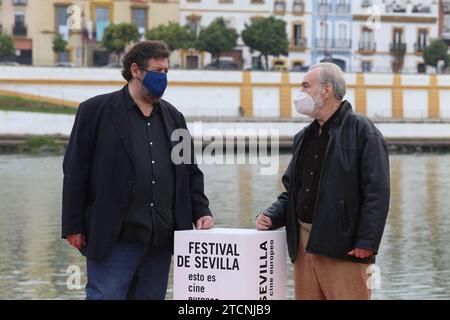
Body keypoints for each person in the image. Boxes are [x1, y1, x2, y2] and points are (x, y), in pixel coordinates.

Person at [62, 40, 214, 300]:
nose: (163, 77)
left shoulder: (174, 117)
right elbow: (76, 169)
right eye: (157, 70)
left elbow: (190, 171)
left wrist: (201, 210)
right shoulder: (95, 111)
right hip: (114, 238)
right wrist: (73, 225)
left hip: (161, 239)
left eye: (167, 71)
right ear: (135, 70)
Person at [256, 63, 390, 300]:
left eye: (306, 86)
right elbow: (292, 191)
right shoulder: (303, 137)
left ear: (326, 90)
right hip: (303, 245)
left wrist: (366, 242)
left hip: (345, 248)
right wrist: (272, 215)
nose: (300, 92)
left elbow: (377, 192)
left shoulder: (363, 132)